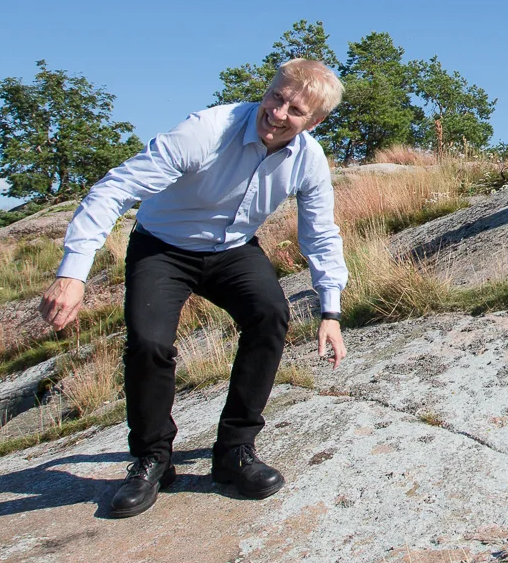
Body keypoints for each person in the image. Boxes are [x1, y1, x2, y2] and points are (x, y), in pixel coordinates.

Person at [38, 59, 352, 518]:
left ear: (315, 122)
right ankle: (152, 458)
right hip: (163, 246)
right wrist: (72, 273)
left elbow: (321, 234)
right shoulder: (206, 130)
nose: (278, 113)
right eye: (276, 97)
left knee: (270, 315)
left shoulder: (308, 159)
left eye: (295, 110)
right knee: (148, 342)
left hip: (233, 250)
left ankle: (233, 452)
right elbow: (114, 190)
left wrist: (332, 311)